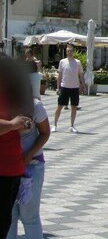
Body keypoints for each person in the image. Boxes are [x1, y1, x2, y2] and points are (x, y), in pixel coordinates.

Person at [8, 74, 50, 239]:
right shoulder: (5, 107)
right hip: (9, 167)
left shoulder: (35, 106)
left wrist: (29, 155)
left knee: (29, 217)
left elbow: (45, 132)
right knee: (9, 217)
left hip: (31, 166)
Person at [0, 55, 33, 237]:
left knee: (4, 221)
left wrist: (23, 123)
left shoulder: (12, 96)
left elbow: (27, 123)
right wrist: (13, 124)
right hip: (10, 167)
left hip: (11, 168)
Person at [53, 44, 86, 133]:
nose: (69, 52)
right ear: (66, 52)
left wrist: (83, 85)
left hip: (75, 87)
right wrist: (58, 87)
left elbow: (81, 75)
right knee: (60, 106)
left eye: (71, 51)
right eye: (68, 51)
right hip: (64, 87)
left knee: (74, 107)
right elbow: (59, 75)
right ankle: (55, 125)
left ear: (73, 52)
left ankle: (72, 125)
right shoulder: (62, 62)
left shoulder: (78, 62)